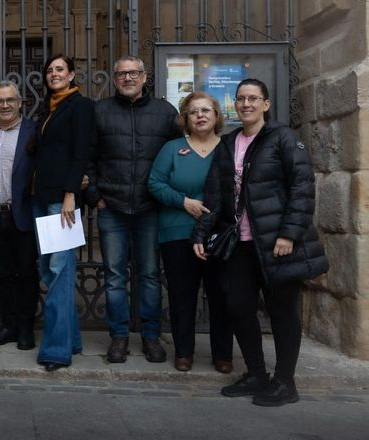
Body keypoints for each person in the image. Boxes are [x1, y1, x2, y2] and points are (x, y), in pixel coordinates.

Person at [192, 78, 328, 406]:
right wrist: (201, 234)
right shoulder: (227, 144)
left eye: (253, 98)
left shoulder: (282, 138)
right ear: (234, 105)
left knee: (283, 312)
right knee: (238, 306)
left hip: (277, 242)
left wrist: (288, 234)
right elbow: (216, 195)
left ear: (266, 104)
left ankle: (285, 382)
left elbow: (302, 187)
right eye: (241, 99)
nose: (246, 104)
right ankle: (256, 373)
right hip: (240, 242)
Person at [86, 55, 182, 364]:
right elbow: (88, 156)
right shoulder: (99, 112)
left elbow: (177, 156)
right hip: (111, 206)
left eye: (133, 73)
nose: (128, 78)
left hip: (149, 207)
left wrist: (165, 195)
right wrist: (95, 194)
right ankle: (119, 337)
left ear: (144, 77)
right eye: (121, 74)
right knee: (114, 276)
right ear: (113, 80)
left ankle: (151, 336)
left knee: (150, 275)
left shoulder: (165, 113)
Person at [148, 91, 233, 372]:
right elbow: (155, 183)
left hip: (218, 234)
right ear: (185, 118)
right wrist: (183, 202)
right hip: (177, 231)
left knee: (220, 295)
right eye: (194, 111)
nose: (200, 115)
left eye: (206, 110)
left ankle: (223, 354)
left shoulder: (229, 147)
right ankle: (183, 351)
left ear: (216, 116)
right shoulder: (172, 148)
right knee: (181, 295)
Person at [32, 54, 93, 372]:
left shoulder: (79, 105)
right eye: (49, 70)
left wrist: (72, 194)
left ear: (71, 75)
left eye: (59, 69)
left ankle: (56, 350)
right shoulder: (50, 107)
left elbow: (81, 151)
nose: (53, 74)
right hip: (42, 198)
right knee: (50, 270)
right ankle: (72, 340)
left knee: (59, 272)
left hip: (62, 201)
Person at [0, 81, 39, 350]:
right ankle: (9, 325)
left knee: (26, 273)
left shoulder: (34, 131)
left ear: (20, 103)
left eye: (10, 100)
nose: (5, 105)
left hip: (23, 214)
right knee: (2, 274)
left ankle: (26, 328)